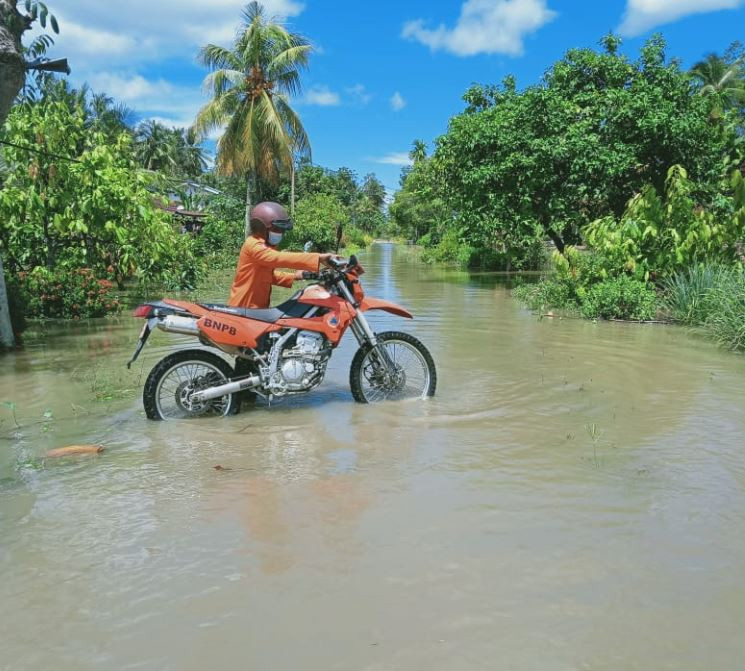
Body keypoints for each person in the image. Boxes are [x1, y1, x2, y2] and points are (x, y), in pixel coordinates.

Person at [228, 201, 336, 309]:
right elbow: (277, 258)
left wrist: (296, 276)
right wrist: (318, 258)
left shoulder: (266, 246)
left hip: (258, 310)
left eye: (282, 230)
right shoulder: (252, 245)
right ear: (261, 228)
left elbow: (267, 276)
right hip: (243, 310)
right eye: (276, 229)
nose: (280, 233)